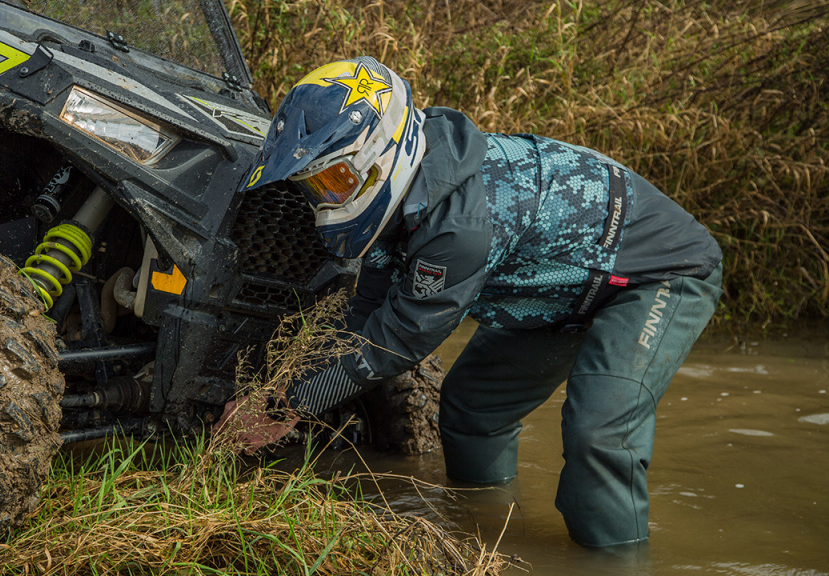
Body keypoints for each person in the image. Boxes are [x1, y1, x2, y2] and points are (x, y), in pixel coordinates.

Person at [219, 56, 723, 548]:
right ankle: (485, 538)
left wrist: (283, 406)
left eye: (334, 183)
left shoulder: (457, 226)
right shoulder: (412, 195)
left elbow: (396, 340)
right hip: (557, 291)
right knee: (468, 411)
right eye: (313, 188)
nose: (324, 203)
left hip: (657, 276)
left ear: (381, 155)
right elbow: (363, 314)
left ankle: (615, 565)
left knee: (599, 437)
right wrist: (284, 382)